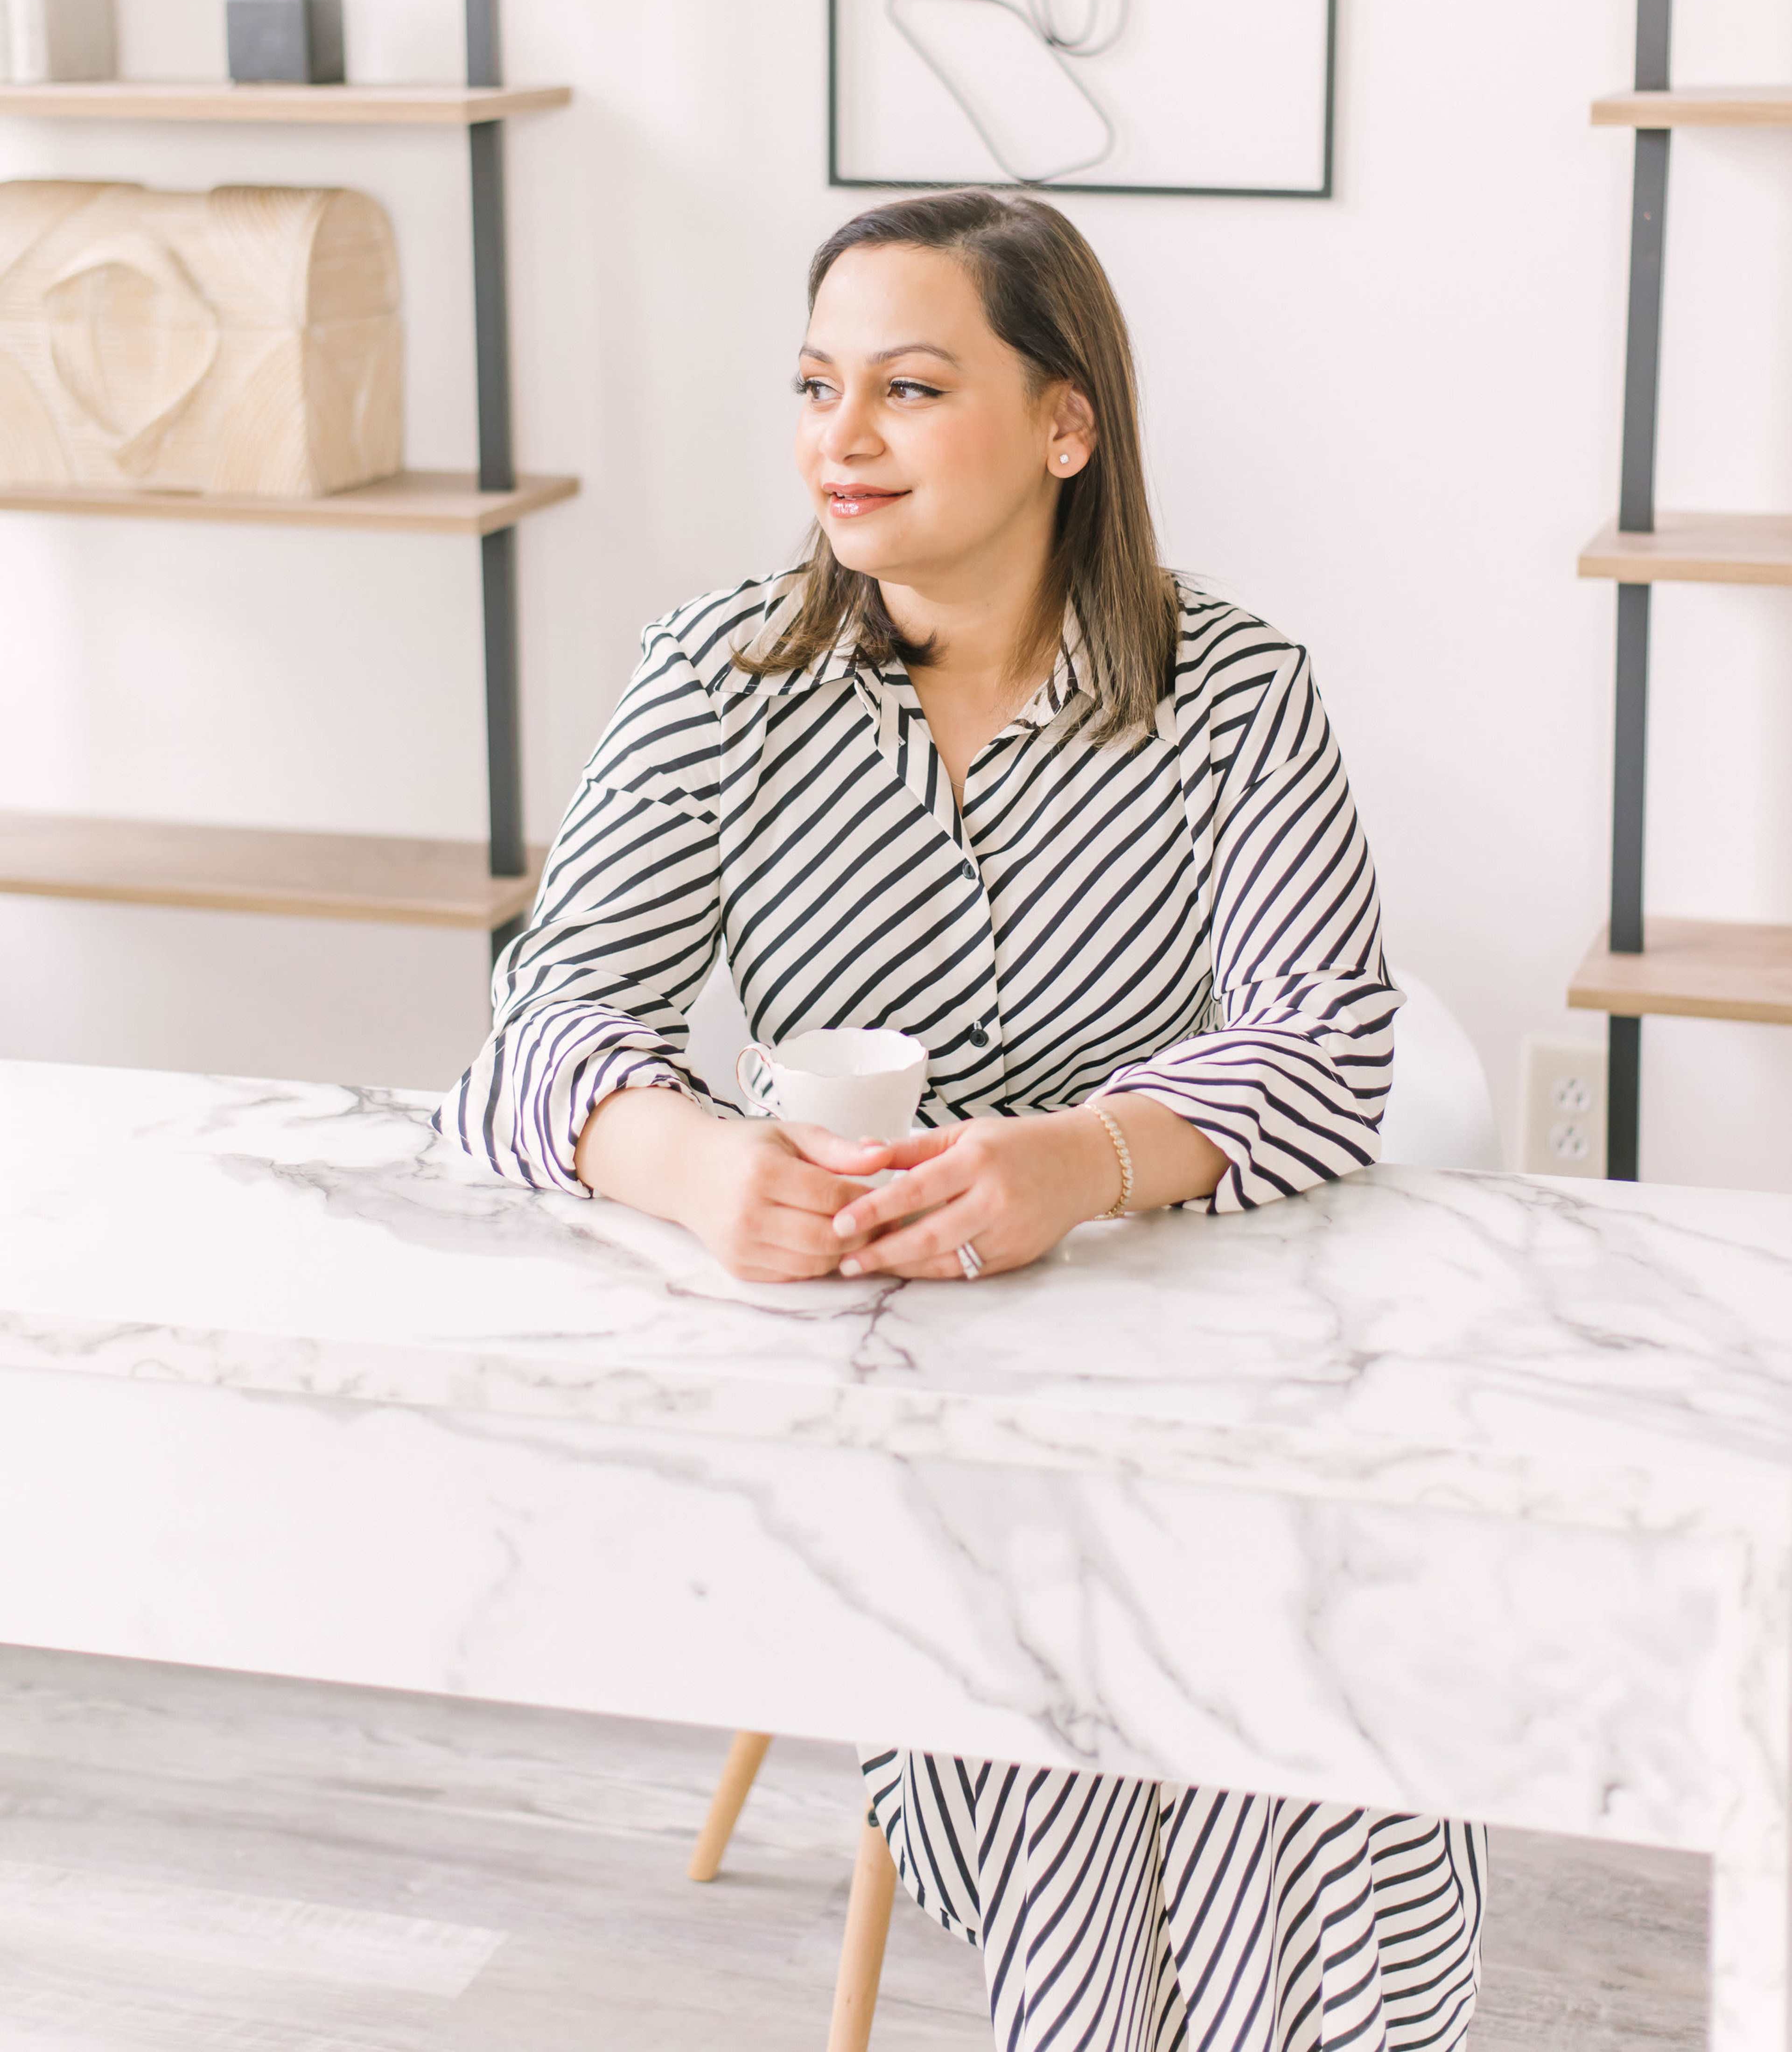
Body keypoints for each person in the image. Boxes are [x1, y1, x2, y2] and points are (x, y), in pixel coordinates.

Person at [438, 188, 1485, 2051]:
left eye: (908, 389)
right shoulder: (723, 681)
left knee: (1286, 1699)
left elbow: (1328, 1048)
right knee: (1097, 1696)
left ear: (1064, 426)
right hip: (892, 1394)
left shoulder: (1232, 697)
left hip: (1202, 1375)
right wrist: (689, 1165)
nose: (838, 440)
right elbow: (539, 1026)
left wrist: (1075, 1164)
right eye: (817, 384)